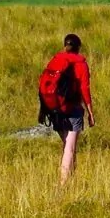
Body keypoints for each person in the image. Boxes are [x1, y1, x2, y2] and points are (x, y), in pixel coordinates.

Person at [38, 33, 95, 187]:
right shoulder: (81, 64)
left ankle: (72, 179)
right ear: (78, 47)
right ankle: (62, 185)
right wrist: (90, 113)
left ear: (65, 46)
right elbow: (85, 90)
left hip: (55, 109)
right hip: (73, 110)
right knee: (70, 149)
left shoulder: (56, 60)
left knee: (67, 146)